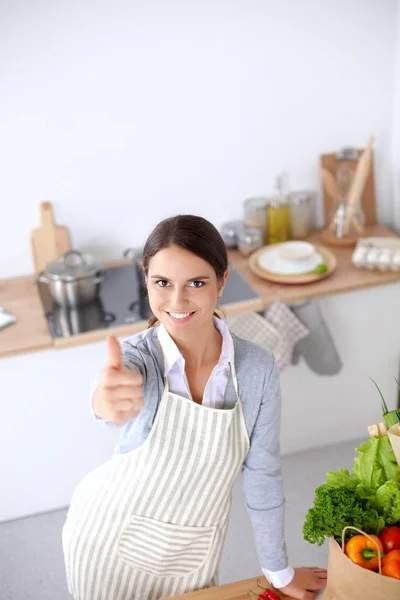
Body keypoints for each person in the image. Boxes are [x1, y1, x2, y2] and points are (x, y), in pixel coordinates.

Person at [62, 215, 327, 600]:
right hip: (107, 543)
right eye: (162, 283)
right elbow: (107, 390)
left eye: (196, 283)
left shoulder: (257, 369)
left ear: (222, 281)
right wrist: (103, 401)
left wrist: (278, 570)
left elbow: (262, 473)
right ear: (146, 279)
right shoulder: (140, 358)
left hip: (193, 553)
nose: (177, 301)